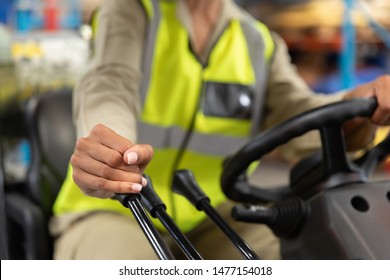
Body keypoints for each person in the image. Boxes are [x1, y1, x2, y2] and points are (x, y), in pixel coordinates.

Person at [49, 0, 390, 260]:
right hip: (115, 209)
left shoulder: (258, 41)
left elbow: (300, 116)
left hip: (214, 213)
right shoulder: (132, 11)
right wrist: (109, 146)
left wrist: (358, 105)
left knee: (310, 253)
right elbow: (109, 82)